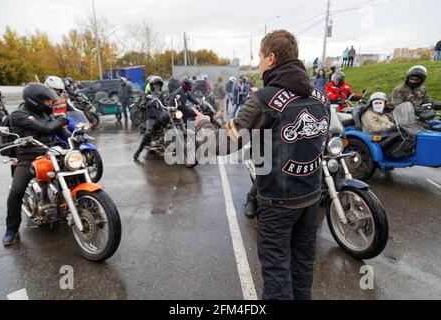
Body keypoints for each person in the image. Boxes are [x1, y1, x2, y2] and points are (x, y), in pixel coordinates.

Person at [193, 29, 330, 300]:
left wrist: (203, 125)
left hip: (278, 203)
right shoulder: (321, 96)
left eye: (259, 56)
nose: (258, 63)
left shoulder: (263, 99)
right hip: (311, 198)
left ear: (271, 57)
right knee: (302, 268)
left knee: (277, 274)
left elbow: (223, 144)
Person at [2, 83, 69, 246]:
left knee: (74, 175)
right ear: (35, 100)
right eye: (46, 101)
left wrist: (76, 137)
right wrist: (61, 121)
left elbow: (61, 132)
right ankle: (11, 229)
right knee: (16, 193)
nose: (49, 104)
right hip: (28, 158)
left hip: (50, 153)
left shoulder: (45, 114)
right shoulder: (18, 115)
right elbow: (46, 129)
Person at [133, 76, 169, 161]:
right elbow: (142, 104)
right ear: (152, 86)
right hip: (151, 117)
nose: (157, 86)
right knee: (148, 132)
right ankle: (139, 151)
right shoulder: (147, 95)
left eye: (159, 85)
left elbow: (165, 104)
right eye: (156, 85)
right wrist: (144, 104)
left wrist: (170, 106)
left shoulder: (161, 95)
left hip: (160, 116)